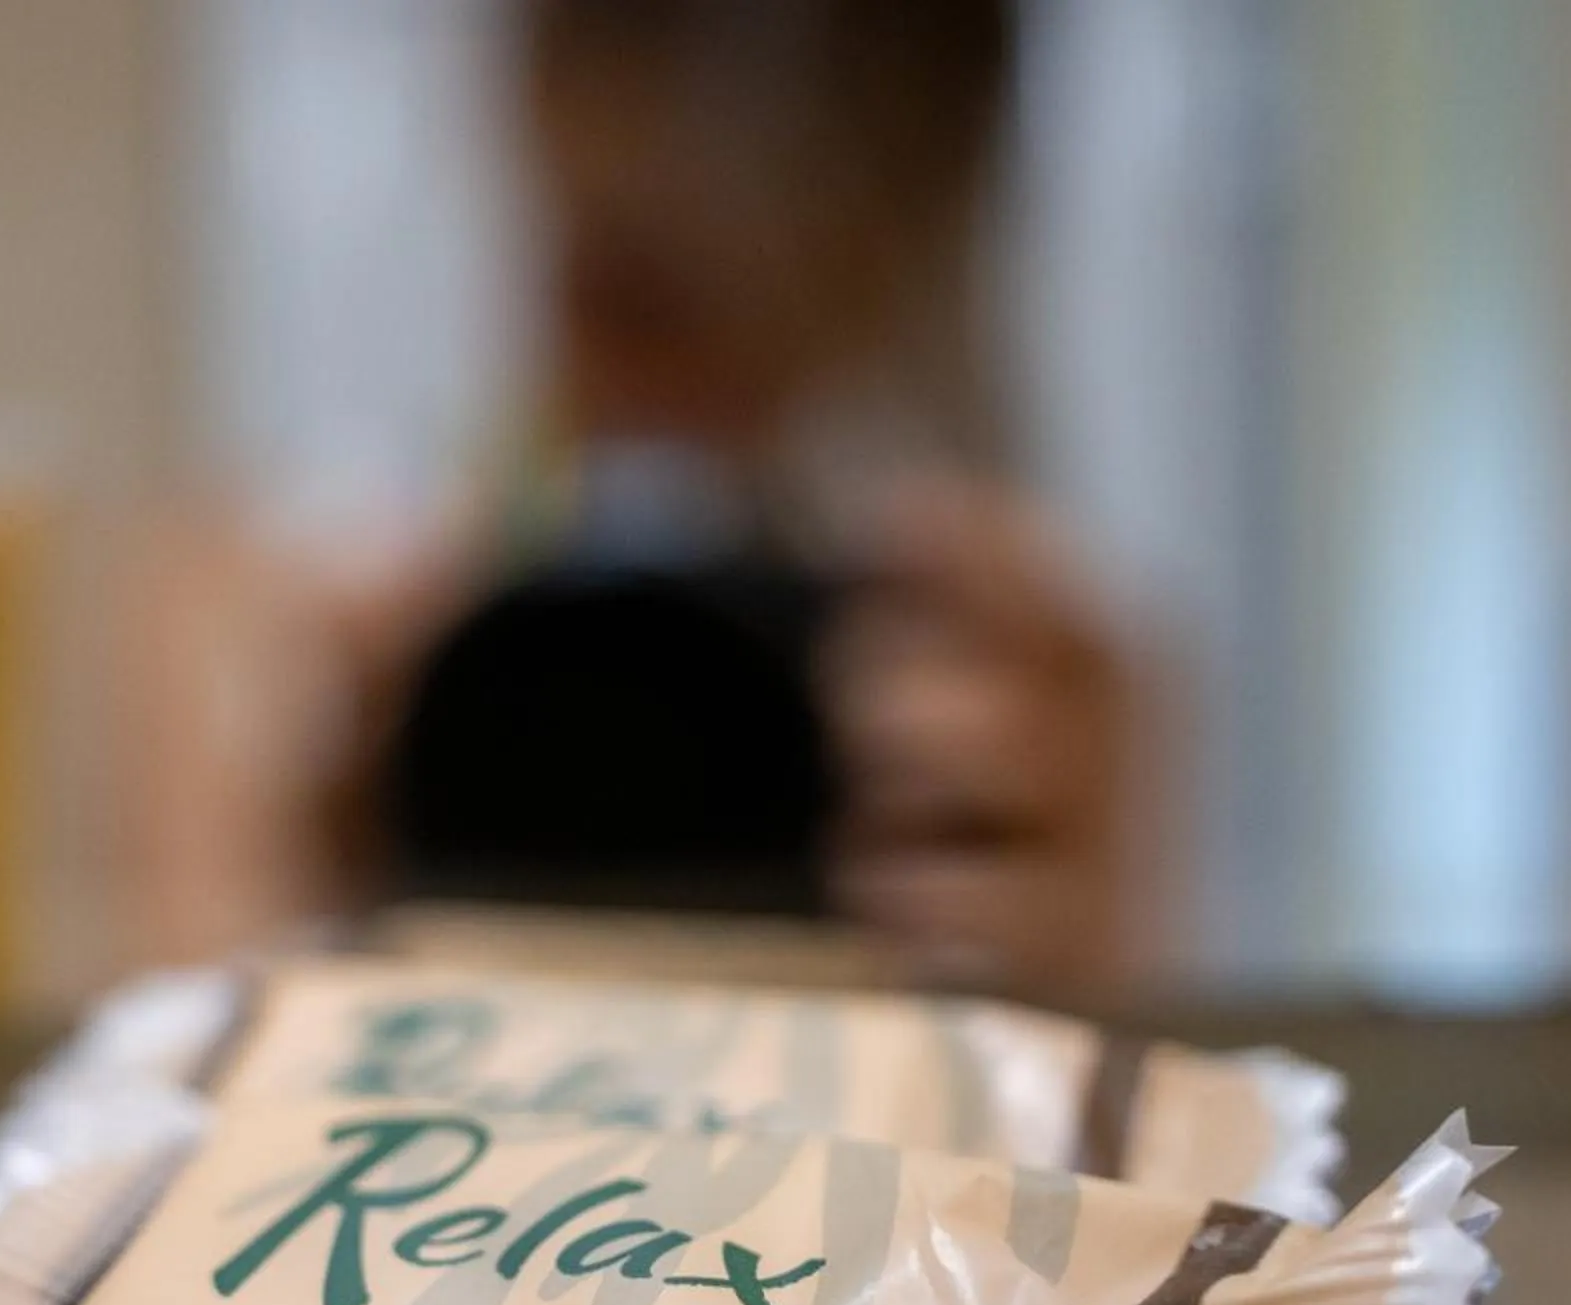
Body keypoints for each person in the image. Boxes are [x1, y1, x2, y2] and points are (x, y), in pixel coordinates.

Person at [124, 0, 1149, 994]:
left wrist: (1045, 1000)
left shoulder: (1006, 646)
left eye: (801, 291)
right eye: (638, 288)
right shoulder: (296, 606)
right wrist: (276, 894)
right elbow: (150, 1118)